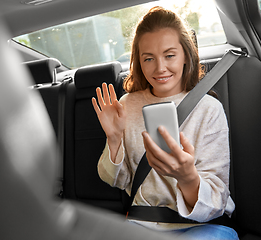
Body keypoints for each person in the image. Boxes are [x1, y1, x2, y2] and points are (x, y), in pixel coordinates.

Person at [92, 6, 238, 240]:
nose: (160, 68)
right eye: (148, 58)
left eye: (169, 55)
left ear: (185, 56)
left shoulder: (209, 109)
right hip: (141, 223)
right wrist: (114, 139)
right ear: (139, 62)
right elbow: (119, 181)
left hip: (200, 226)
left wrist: (187, 176)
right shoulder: (127, 104)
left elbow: (217, 199)